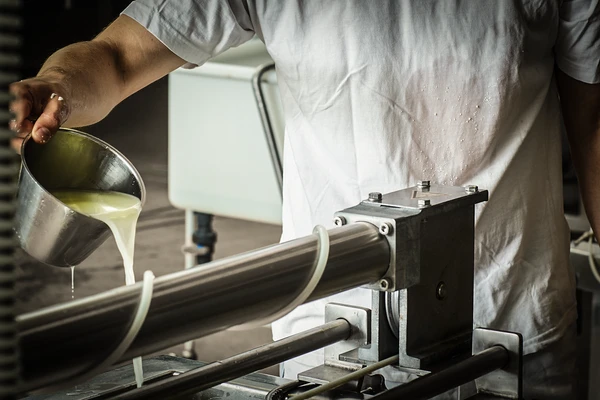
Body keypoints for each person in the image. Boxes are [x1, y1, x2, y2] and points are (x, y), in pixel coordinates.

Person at [9, 1, 600, 398]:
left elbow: (594, 124)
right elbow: (115, 57)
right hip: (334, 332)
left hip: (507, 326)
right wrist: (58, 85)